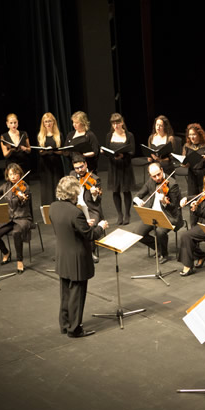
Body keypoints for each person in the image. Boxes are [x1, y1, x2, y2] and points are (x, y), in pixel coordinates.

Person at [50, 176, 108, 338]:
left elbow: (67, 227)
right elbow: (90, 236)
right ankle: (75, 329)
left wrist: (83, 224)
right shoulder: (75, 212)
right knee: (77, 294)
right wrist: (100, 226)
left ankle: (65, 324)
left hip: (63, 256)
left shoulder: (53, 207)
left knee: (65, 292)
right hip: (76, 258)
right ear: (73, 192)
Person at [133, 162, 184, 263]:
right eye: (154, 176)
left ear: (162, 170)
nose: (157, 178)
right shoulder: (150, 182)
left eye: (158, 174)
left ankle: (164, 254)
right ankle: (158, 248)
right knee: (138, 233)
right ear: (150, 176)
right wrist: (138, 200)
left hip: (169, 216)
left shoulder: (173, 184)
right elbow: (139, 194)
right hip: (153, 214)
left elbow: (175, 207)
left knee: (159, 231)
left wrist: (165, 202)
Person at [0, 163, 33, 274]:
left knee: (16, 233)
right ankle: (6, 252)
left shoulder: (25, 187)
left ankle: (19, 260)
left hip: (22, 218)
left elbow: (24, 204)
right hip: (9, 219)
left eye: (15, 174)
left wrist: (22, 198)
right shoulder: (5, 187)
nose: (13, 177)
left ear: (20, 174)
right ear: (7, 175)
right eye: (11, 174)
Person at [177, 172, 205, 276]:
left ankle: (188, 266)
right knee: (187, 237)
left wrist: (195, 210)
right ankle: (201, 256)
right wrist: (186, 198)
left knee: (186, 236)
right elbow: (197, 196)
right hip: (204, 224)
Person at [70, 154, 103, 262]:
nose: (79, 170)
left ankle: (90, 251)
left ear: (86, 164)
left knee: (91, 224)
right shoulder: (72, 175)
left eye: (81, 167)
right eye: (77, 168)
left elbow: (98, 201)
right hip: (75, 208)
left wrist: (94, 194)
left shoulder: (95, 178)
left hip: (91, 209)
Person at [104, 113, 135, 225]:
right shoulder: (109, 136)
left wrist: (123, 155)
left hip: (125, 165)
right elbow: (107, 150)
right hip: (114, 166)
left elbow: (132, 151)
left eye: (117, 123)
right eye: (113, 123)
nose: (115, 125)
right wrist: (107, 153)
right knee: (115, 190)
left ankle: (127, 213)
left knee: (126, 190)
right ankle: (119, 214)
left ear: (122, 122)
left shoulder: (129, 135)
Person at [181, 123, 205, 225]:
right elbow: (183, 162)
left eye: (194, 134)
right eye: (190, 135)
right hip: (192, 174)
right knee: (193, 198)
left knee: (204, 198)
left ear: (199, 134)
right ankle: (194, 225)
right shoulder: (187, 146)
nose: (192, 137)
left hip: (204, 173)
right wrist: (184, 163)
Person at [36, 112, 65, 206]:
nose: (48, 124)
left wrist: (53, 150)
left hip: (56, 162)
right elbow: (40, 151)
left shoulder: (58, 134)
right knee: (47, 187)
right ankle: (47, 208)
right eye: (46, 122)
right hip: (45, 164)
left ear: (53, 122)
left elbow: (62, 151)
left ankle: (60, 206)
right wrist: (46, 151)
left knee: (57, 184)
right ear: (43, 123)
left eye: (50, 121)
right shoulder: (40, 136)